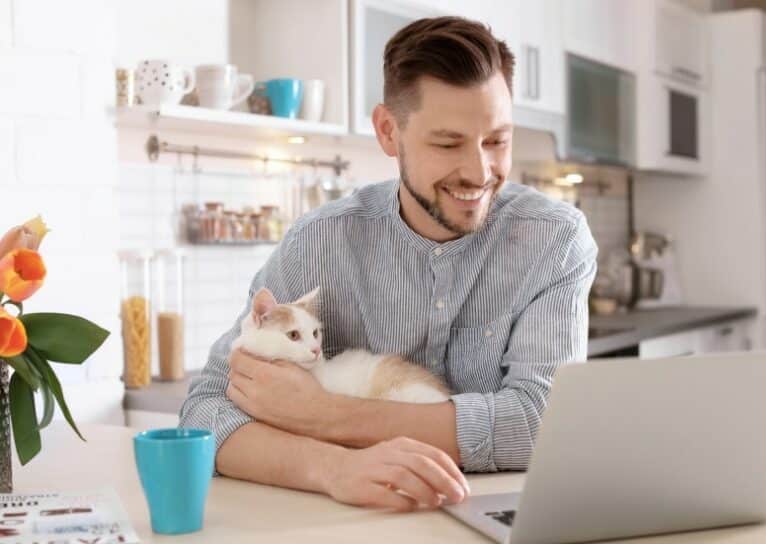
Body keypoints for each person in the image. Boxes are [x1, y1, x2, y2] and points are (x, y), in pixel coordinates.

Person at [179, 15, 598, 512]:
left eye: (497, 141)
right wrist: (333, 468)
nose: (480, 172)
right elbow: (205, 411)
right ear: (387, 132)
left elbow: (542, 424)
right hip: (358, 520)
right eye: (448, 143)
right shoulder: (320, 243)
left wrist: (329, 416)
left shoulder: (554, 240)